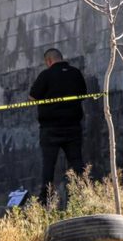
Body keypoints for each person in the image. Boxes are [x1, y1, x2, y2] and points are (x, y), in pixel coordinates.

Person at [29, 48, 88, 205]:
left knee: (49, 165)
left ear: (48, 61)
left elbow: (32, 97)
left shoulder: (46, 75)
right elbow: (83, 93)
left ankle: (46, 201)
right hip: (73, 127)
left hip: (50, 129)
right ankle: (81, 197)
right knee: (77, 163)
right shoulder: (75, 73)